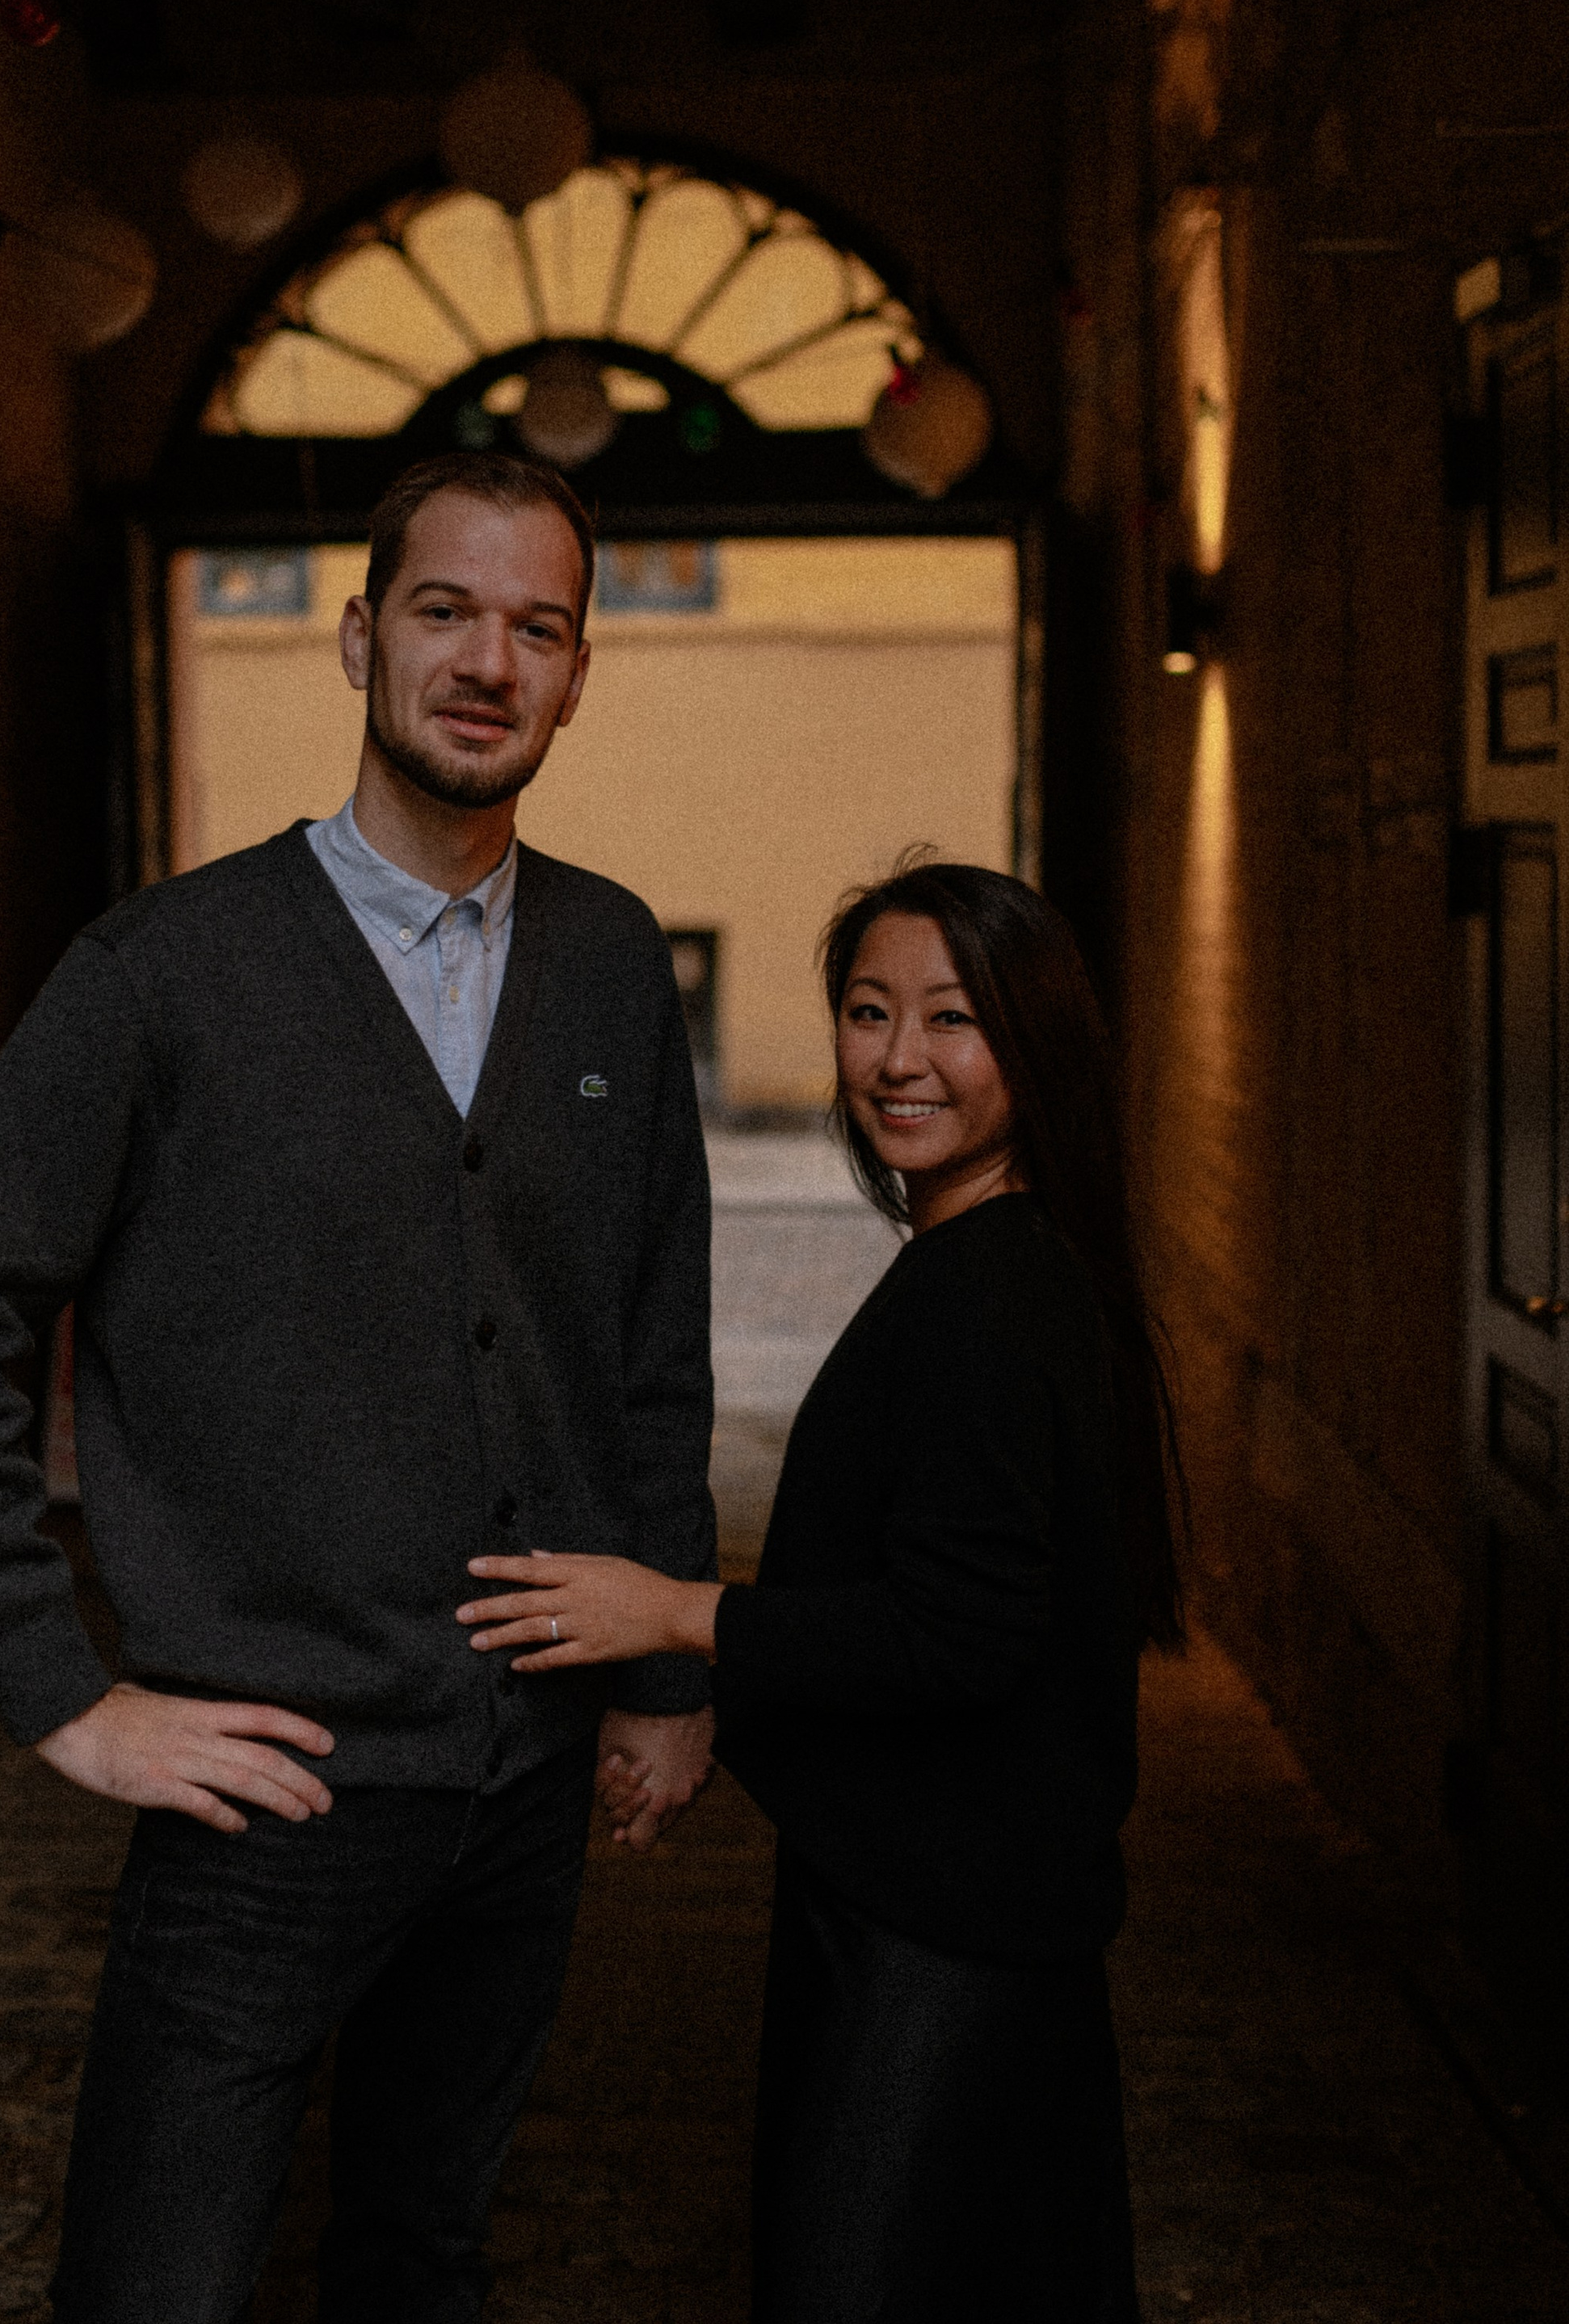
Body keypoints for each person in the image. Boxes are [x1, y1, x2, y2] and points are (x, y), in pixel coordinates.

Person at [0, 452, 719, 2324]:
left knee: (424, 2255)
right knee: (155, 2286)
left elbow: (649, 1348)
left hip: (528, 1776)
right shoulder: (162, 975)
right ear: (356, 637)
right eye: (442, 609)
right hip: (268, 1793)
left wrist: (658, 1678)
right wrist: (61, 1691)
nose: (487, 659)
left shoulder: (612, 965)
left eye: (535, 625)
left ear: (575, 678)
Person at [460, 857, 1182, 2324]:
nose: (899, 1060)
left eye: (952, 1020)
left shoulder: (990, 1299)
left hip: (946, 1933)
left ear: (1032, 1046)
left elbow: (959, 1633)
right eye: (867, 1013)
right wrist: (721, 1710)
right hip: (956, 1905)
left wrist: (674, 1614)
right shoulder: (994, 1258)